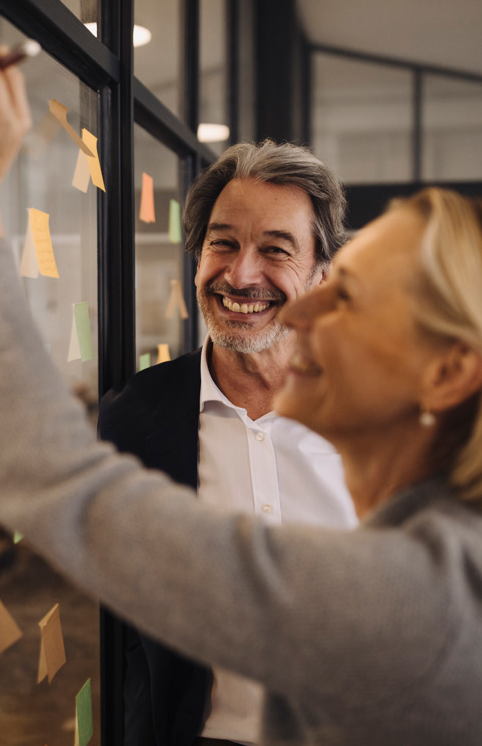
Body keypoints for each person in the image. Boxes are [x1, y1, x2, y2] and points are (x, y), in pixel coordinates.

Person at [0, 37, 482, 746]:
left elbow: (55, 483)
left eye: (349, 296)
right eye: (224, 245)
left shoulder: (419, 599)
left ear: (448, 373)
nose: (295, 313)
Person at [98, 139, 357, 746]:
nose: (241, 274)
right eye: (223, 243)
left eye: (275, 250)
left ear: (321, 273)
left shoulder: (378, 414)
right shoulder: (135, 419)